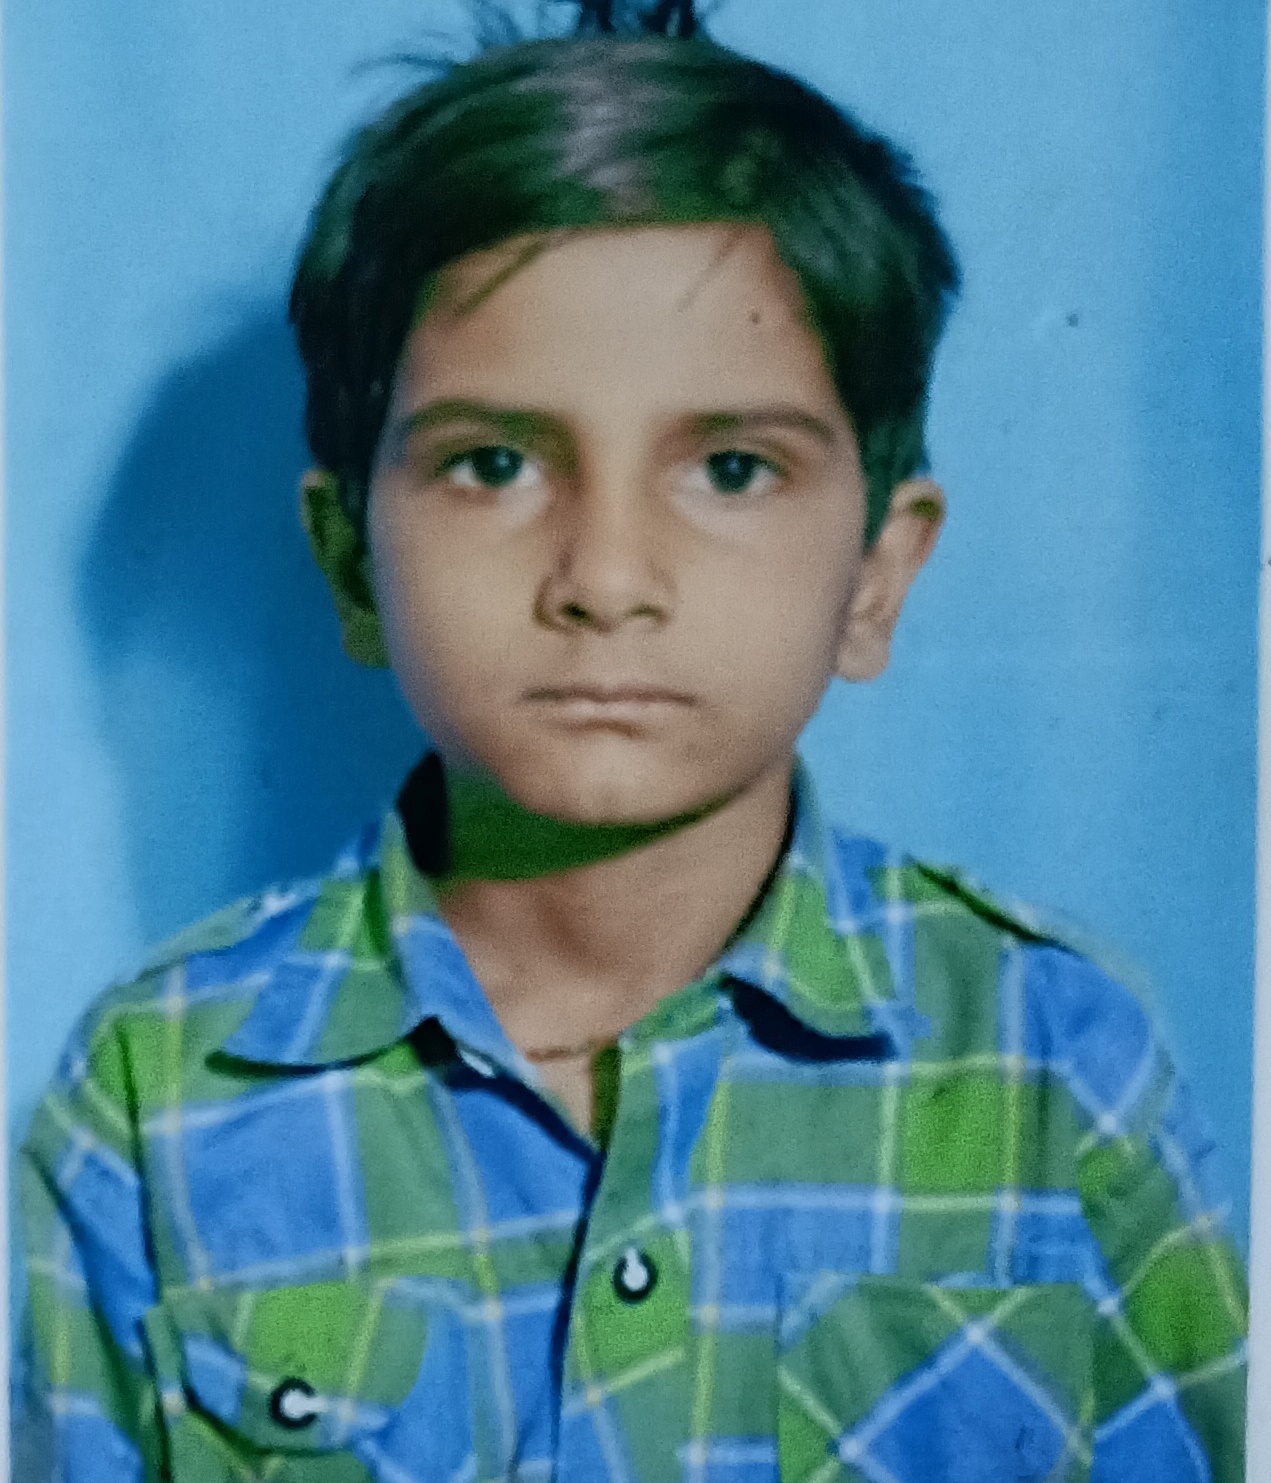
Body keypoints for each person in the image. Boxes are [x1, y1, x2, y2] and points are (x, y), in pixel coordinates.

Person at [17, 3, 1247, 1479]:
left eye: (730, 468)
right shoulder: (158, 1099)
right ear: (349, 564)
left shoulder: (1054, 1061)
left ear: (877, 573)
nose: (605, 578)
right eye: (492, 463)